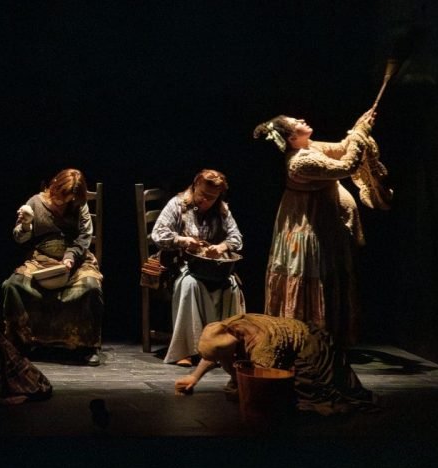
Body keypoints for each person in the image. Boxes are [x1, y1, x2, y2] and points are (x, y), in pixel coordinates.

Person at [255, 109, 383, 348]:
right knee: (312, 275)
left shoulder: (309, 147)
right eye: (296, 122)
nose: (302, 119)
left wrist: (360, 124)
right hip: (308, 225)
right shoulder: (301, 161)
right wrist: (359, 134)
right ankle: (308, 340)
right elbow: (348, 165)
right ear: (292, 138)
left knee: (327, 274)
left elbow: (342, 148)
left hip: (323, 221)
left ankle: (328, 337)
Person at [173, 313, 379, 415]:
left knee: (313, 395)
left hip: (309, 347)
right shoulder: (229, 327)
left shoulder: (261, 346)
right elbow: (213, 354)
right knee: (236, 389)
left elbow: (262, 382)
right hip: (286, 344)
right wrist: (194, 377)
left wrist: (248, 395)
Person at [0, 168, 104, 364]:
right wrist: (26, 225)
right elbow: (18, 238)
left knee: (91, 287)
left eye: (69, 200)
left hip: (75, 260)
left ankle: (87, 344)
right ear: (54, 186)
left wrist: (71, 256)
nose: (63, 203)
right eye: (60, 197)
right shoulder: (35, 203)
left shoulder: (78, 206)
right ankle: (20, 342)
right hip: (41, 260)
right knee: (13, 286)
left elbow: (84, 236)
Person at [150, 169, 245, 365]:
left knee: (231, 287)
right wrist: (183, 241)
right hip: (181, 265)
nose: (205, 201)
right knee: (190, 284)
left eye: (211, 197)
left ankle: (224, 347)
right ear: (195, 186)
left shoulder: (221, 209)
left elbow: (236, 238)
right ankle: (186, 349)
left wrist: (221, 247)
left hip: (212, 267)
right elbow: (158, 234)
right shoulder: (178, 205)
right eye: (202, 195)